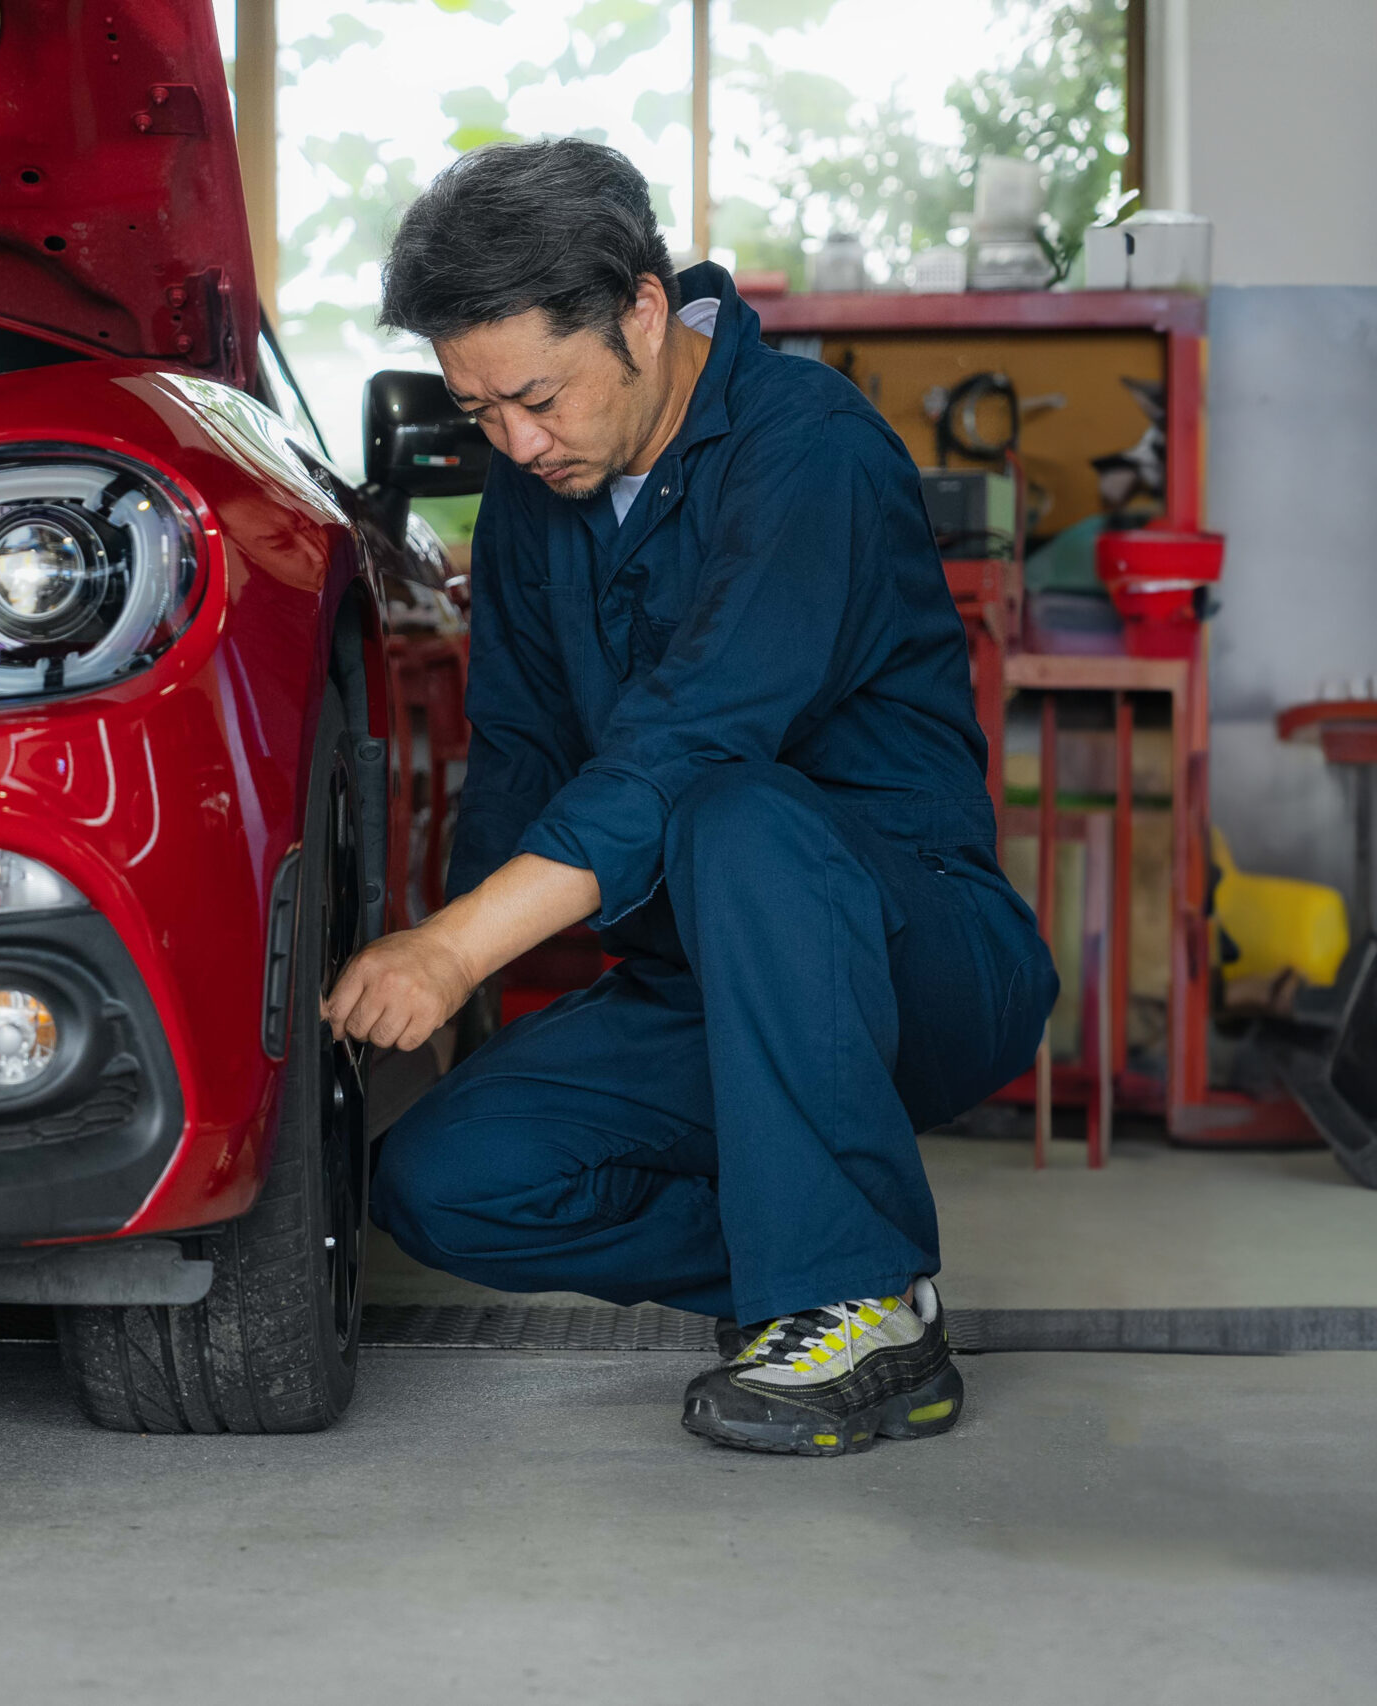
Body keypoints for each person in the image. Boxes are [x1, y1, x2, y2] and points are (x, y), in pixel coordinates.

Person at [324, 139, 1057, 1457]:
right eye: (481, 410)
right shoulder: (537, 499)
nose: (518, 440)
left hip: (923, 956)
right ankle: (835, 1269)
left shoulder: (806, 450)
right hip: (701, 995)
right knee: (443, 1180)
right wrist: (442, 1020)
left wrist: (447, 951)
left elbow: (687, 746)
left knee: (732, 812)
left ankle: (852, 1302)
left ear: (644, 314)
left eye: (537, 397)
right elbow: (517, 761)